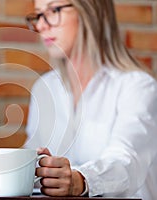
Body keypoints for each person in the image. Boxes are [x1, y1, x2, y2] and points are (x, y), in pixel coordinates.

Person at [24, 0, 157, 199]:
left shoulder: (137, 87)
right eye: (37, 15)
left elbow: (127, 161)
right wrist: (7, 171)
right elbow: (33, 161)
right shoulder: (45, 88)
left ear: (89, 12)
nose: (41, 25)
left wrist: (81, 181)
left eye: (53, 10)